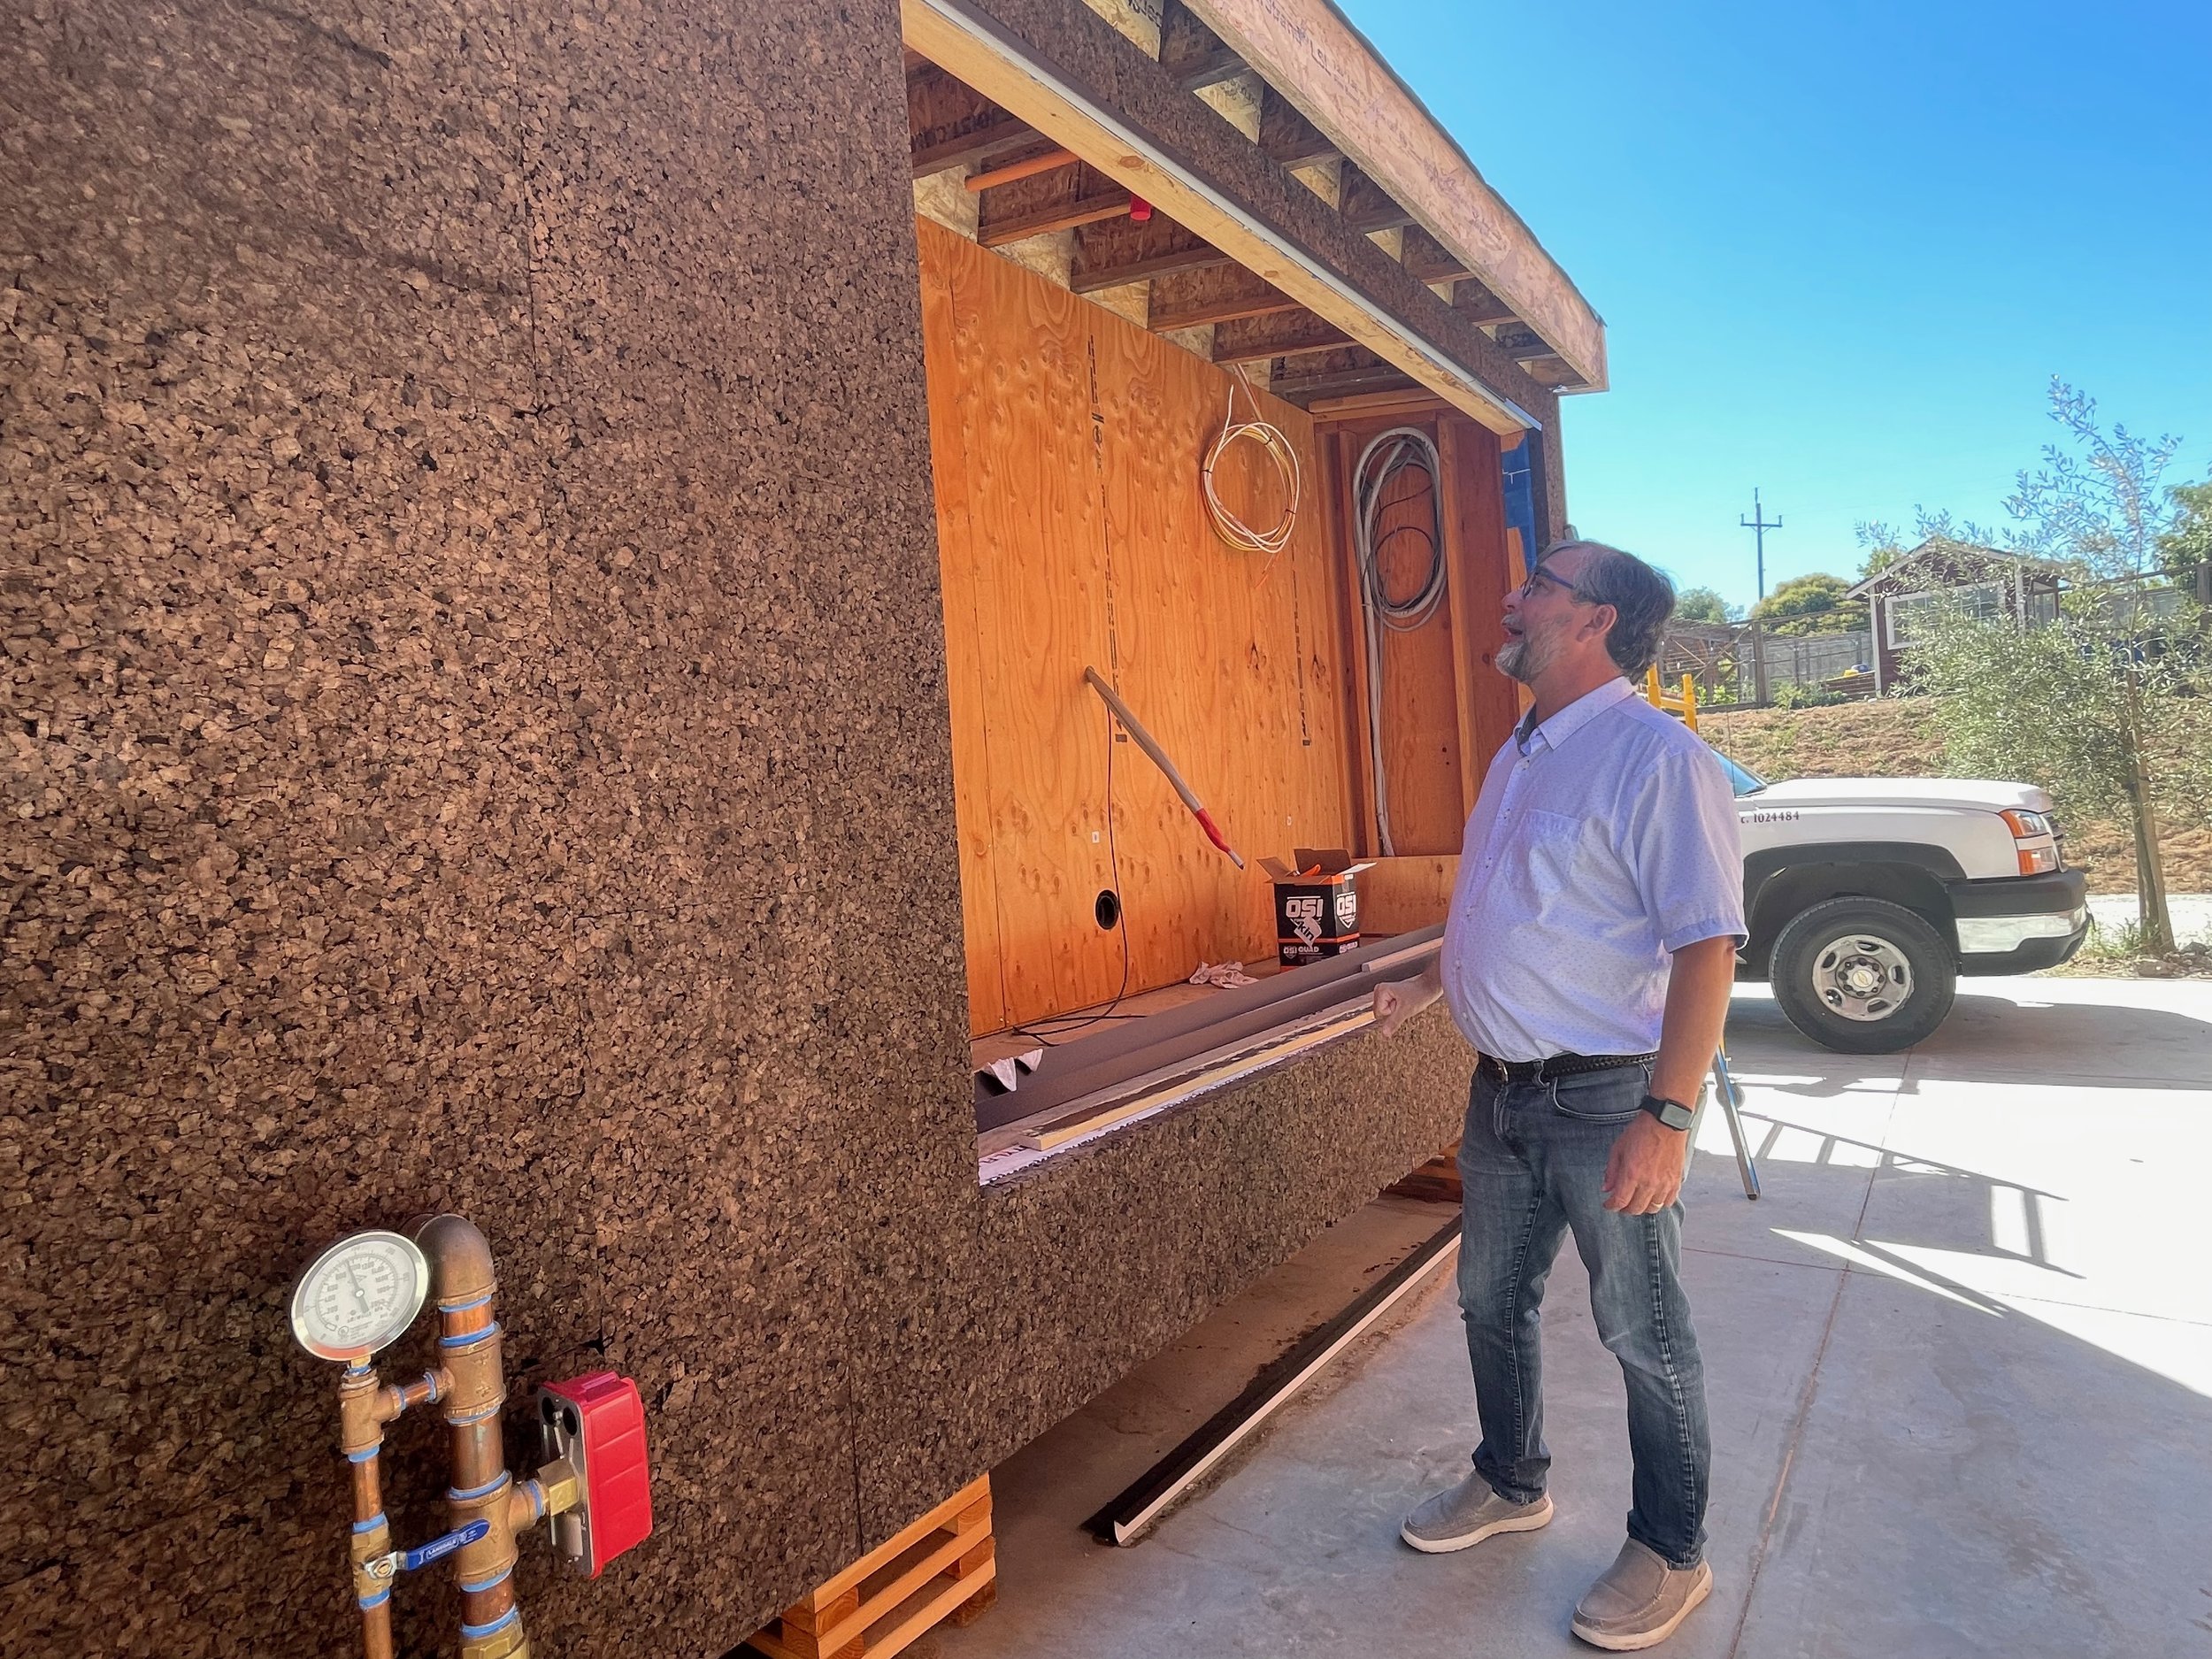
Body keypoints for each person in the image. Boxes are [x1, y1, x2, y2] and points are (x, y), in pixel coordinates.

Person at [1371, 538, 1744, 1651]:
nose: (1510, 595)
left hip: (1603, 1099)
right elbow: (1508, 901)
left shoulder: (1657, 758)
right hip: (1500, 1096)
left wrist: (1666, 1120)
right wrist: (1432, 974)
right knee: (1491, 1304)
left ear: (1593, 622)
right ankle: (1510, 1480)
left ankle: (1672, 1551)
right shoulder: (1522, 751)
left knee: (1642, 1332)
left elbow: (1706, 952)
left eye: (1535, 585)